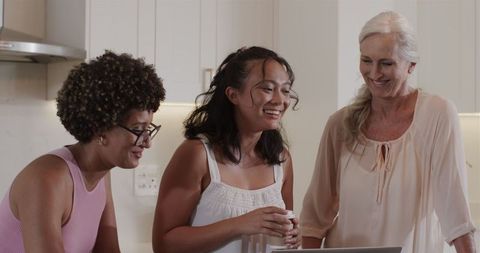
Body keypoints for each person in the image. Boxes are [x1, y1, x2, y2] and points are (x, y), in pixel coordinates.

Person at [300, 11, 477, 253]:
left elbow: (454, 210)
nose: (374, 73)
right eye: (366, 60)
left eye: (386, 63)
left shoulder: (437, 114)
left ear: (411, 66)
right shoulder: (338, 125)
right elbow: (315, 217)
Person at [0, 51, 166, 252]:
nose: (147, 142)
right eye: (138, 129)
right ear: (100, 129)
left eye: (148, 129)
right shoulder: (47, 180)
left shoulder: (102, 174)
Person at [152, 46, 301, 253]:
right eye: (267, 88)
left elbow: (282, 238)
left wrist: (292, 236)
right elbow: (164, 244)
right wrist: (240, 224)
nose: (280, 100)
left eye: (285, 90)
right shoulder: (197, 155)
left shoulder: (282, 160)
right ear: (233, 95)